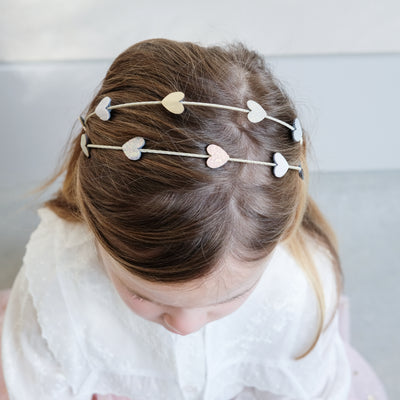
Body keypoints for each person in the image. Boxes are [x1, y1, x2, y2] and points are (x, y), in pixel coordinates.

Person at [0, 38, 388, 400]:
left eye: (231, 297)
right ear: (95, 224)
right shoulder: (56, 285)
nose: (185, 326)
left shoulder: (302, 289)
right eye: (142, 294)